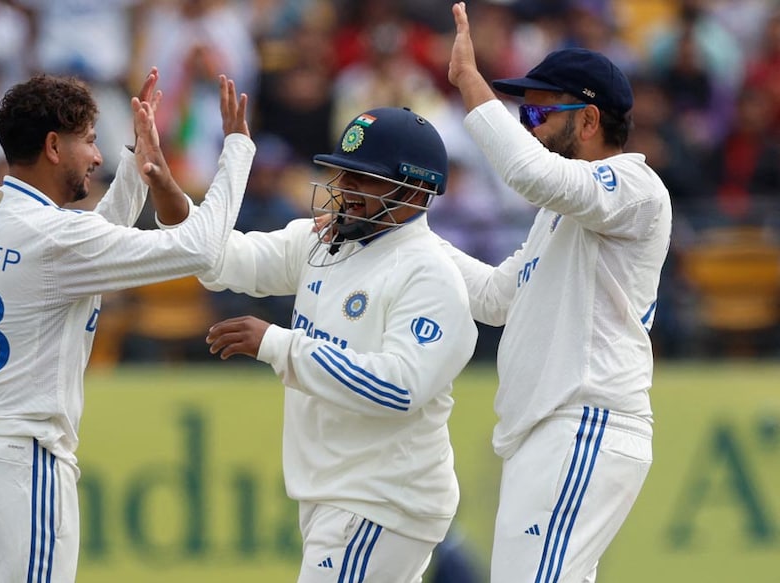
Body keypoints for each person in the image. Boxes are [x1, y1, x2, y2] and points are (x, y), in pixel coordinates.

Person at [0, 70, 253, 581]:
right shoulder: (55, 239)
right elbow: (199, 247)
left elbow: (96, 240)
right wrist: (238, 149)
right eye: (90, 141)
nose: (96, 157)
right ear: (52, 146)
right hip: (27, 463)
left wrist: (141, 156)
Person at [444, 4, 672, 582]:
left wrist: (473, 85)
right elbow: (497, 296)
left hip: (583, 419)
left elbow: (528, 174)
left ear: (590, 120)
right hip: (555, 429)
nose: (530, 126)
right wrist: (405, 237)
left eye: (539, 111)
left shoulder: (636, 187)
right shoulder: (561, 213)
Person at [202, 106, 478, 582]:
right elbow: (227, 261)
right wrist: (171, 203)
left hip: (380, 500)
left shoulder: (429, 274)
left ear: (414, 191)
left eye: (364, 179)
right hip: (343, 492)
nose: (343, 189)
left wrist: (277, 344)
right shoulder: (326, 241)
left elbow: (400, 388)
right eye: (343, 174)